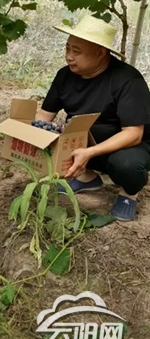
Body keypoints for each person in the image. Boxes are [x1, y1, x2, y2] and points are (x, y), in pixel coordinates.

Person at [37, 15, 150, 221]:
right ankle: (86, 177)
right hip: (84, 143)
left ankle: (129, 193)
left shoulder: (128, 80)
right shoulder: (64, 76)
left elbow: (133, 134)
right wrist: (31, 134)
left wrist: (90, 152)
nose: (69, 56)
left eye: (76, 51)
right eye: (67, 49)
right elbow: (44, 116)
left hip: (126, 147)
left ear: (100, 53)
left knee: (127, 165)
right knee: (56, 136)